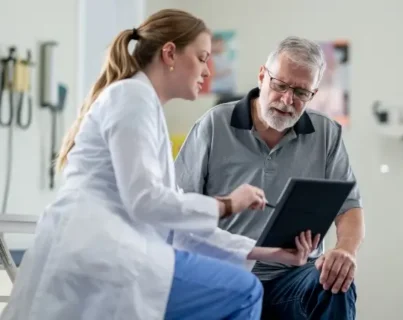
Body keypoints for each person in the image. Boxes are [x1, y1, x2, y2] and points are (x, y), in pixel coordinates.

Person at [0, 12, 320, 320]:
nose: (208, 71)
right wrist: (227, 204)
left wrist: (269, 252)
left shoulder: (145, 107)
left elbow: (177, 225)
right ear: (170, 54)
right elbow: (146, 201)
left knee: (240, 289)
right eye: (201, 57)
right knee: (244, 291)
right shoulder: (130, 97)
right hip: (96, 257)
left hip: (116, 256)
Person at [175, 36, 366, 320]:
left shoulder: (327, 134)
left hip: (293, 277)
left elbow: (349, 207)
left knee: (334, 283)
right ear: (263, 76)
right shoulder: (213, 126)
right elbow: (179, 208)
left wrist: (344, 251)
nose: (287, 100)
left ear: (313, 94)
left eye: (301, 92)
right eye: (280, 85)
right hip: (226, 275)